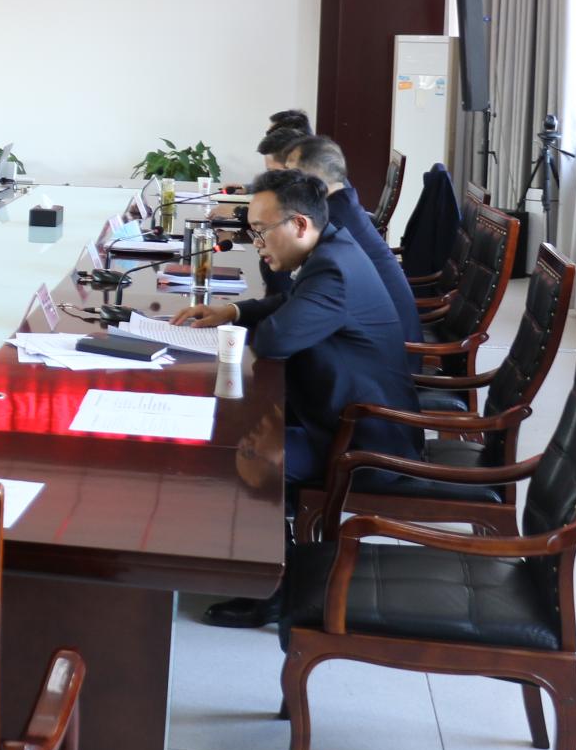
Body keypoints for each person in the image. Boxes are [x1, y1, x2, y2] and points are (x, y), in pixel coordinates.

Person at [171, 170, 422, 628]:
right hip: (340, 413)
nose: (256, 244)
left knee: (240, 454)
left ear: (300, 224)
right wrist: (232, 311)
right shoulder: (332, 249)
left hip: (365, 441)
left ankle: (274, 587)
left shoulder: (334, 270)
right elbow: (290, 307)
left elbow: (275, 340)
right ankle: (266, 558)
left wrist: (251, 316)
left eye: (261, 231)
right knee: (241, 428)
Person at [283, 134, 422, 342]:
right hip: (379, 334)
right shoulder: (342, 206)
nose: (285, 184)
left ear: (316, 176)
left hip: (389, 347)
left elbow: (302, 292)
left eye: (291, 174)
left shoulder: (334, 222)